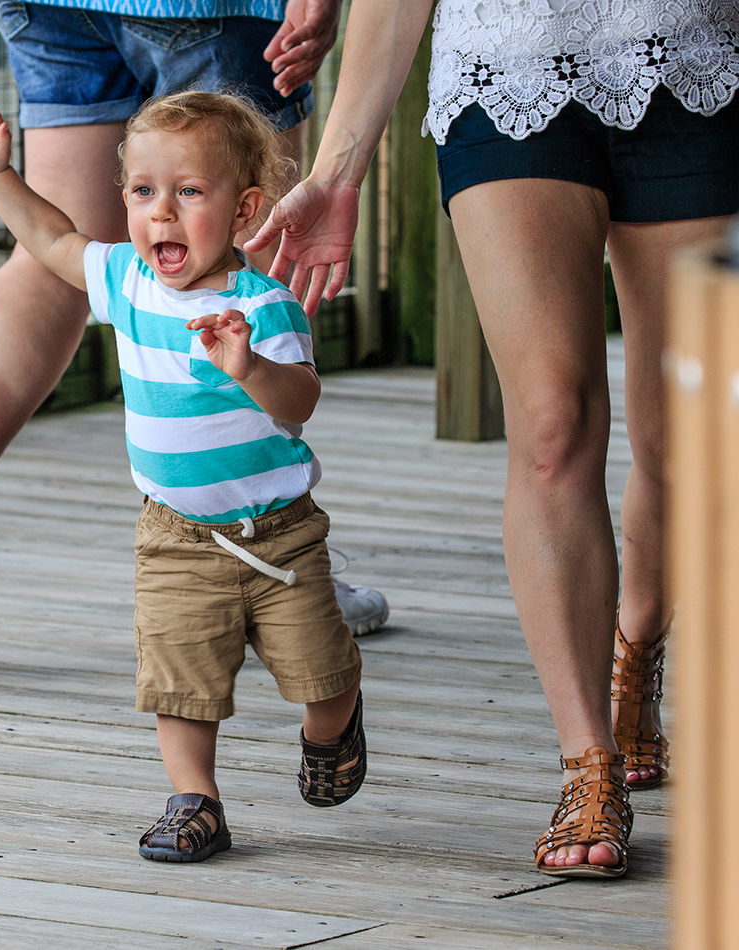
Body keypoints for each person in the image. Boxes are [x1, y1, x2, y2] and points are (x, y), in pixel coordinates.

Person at [245, 0, 739, 877]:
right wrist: (339, 168)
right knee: (553, 425)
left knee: (687, 437)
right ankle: (589, 765)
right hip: (505, 66)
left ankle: (636, 643)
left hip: (694, 64)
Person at [0, 0, 391, 668]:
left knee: (49, 265)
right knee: (247, 252)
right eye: (139, 194)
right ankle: (281, 568)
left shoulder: (116, 269)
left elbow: (57, 238)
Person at [0, 90, 367, 861]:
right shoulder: (129, 283)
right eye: (144, 193)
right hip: (175, 535)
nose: (162, 215)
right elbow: (50, 239)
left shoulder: (263, 307)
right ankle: (195, 801)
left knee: (320, 673)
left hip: (277, 536)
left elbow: (302, 402)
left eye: (188, 192)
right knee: (179, 680)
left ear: (245, 210)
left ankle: (334, 726)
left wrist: (248, 366)